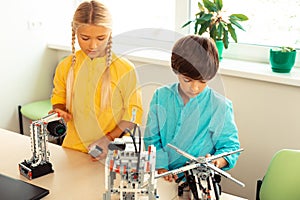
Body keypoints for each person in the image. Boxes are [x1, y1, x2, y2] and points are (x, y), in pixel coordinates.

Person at [50, 0, 143, 159]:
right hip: (73, 149)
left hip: (113, 152)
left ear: (110, 34)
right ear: (75, 33)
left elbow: (133, 115)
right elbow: (58, 98)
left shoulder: (125, 69)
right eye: (85, 38)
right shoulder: (65, 66)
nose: (93, 45)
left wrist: (108, 139)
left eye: (101, 38)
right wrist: (60, 110)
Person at [144, 35, 240, 182]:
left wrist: (216, 161)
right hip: (163, 178)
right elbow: (152, 138)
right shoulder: (161, 96)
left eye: (202, 81)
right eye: (187, 80)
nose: (194, 88)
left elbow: (230, 147)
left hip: (199, 181)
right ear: (176, 71)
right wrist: (161, 167)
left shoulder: (220, 106)